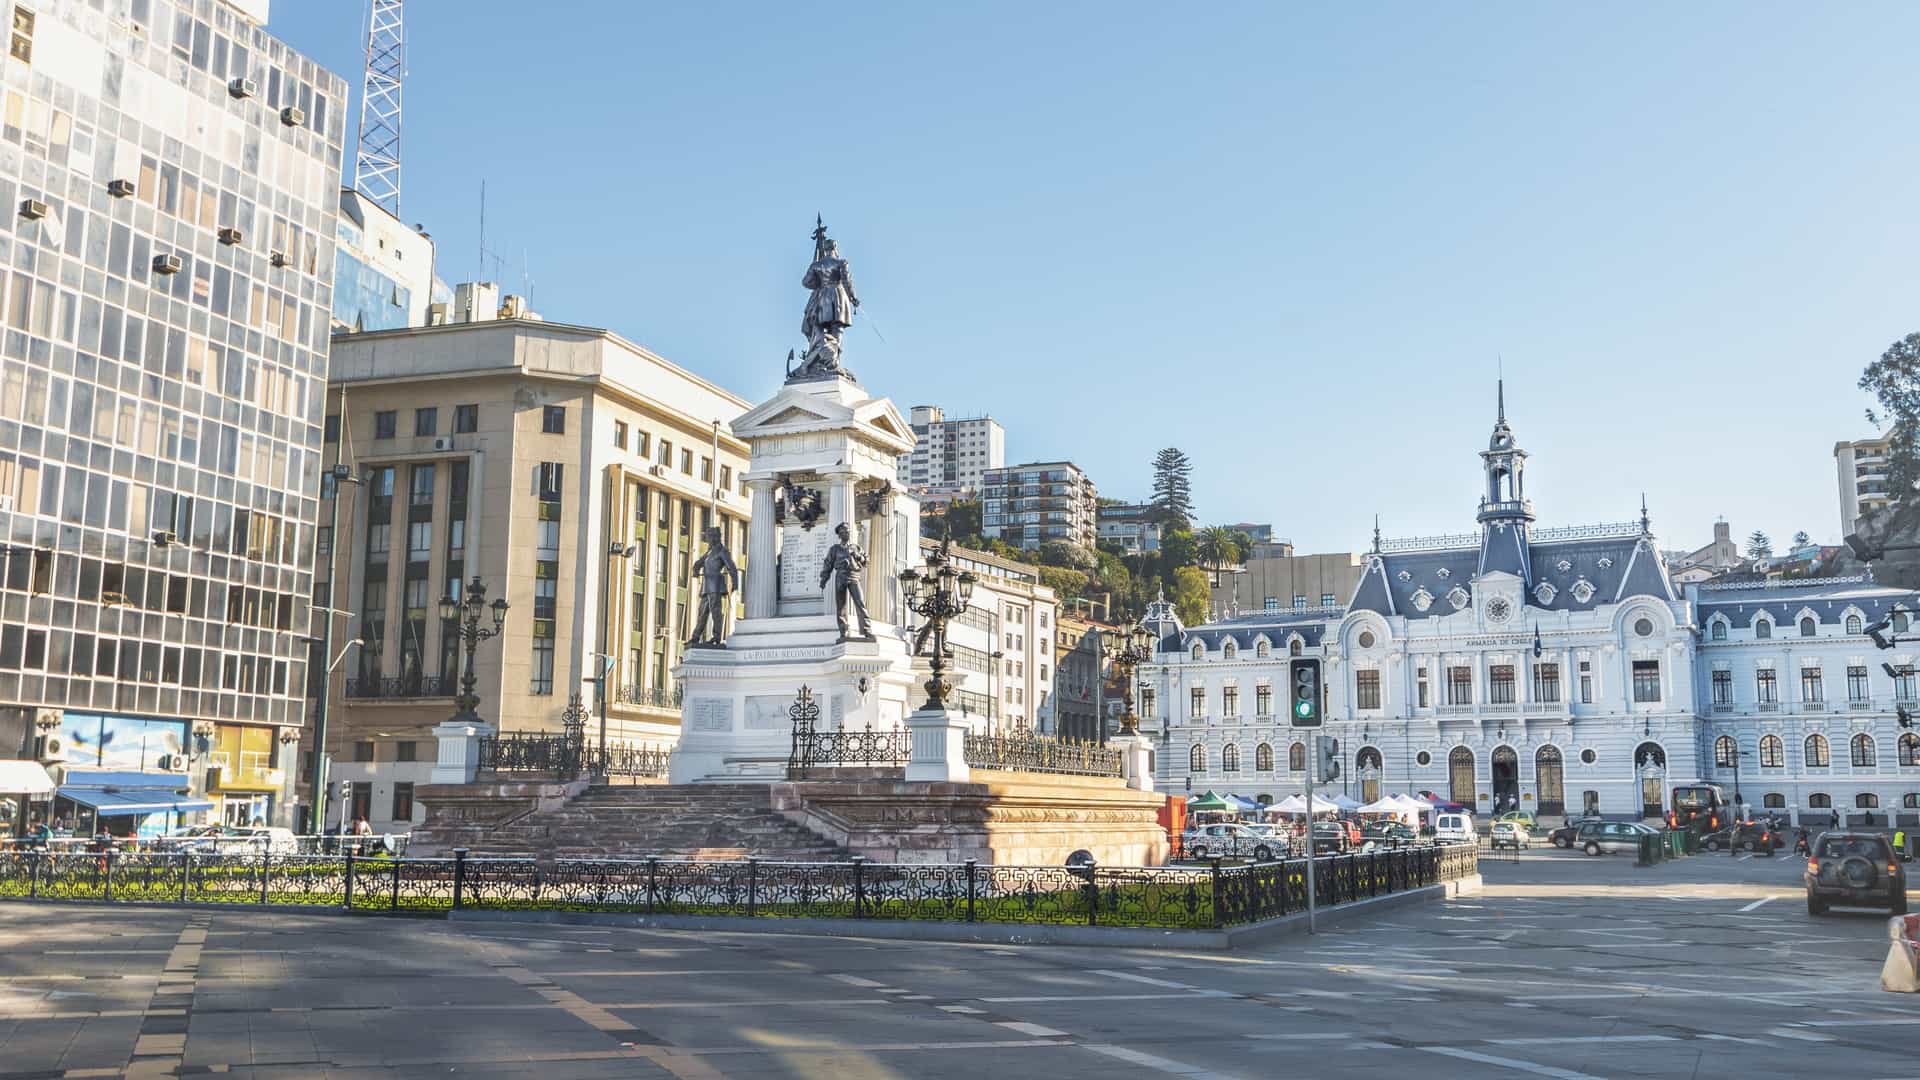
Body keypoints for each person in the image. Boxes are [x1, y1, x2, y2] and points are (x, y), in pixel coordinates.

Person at [818, 522, 872, 640]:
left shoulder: (856, 547)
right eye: (843, 531)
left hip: (854, 576)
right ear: (839, 534)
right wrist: (823, 580)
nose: (846, 532)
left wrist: (858, 556)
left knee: (860, 603)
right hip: (841, 576)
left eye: (847, 530)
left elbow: (866, 561)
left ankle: (867, 630)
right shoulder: (835, 549)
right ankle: (844, 631)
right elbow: (828, 565)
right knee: (841, 606)